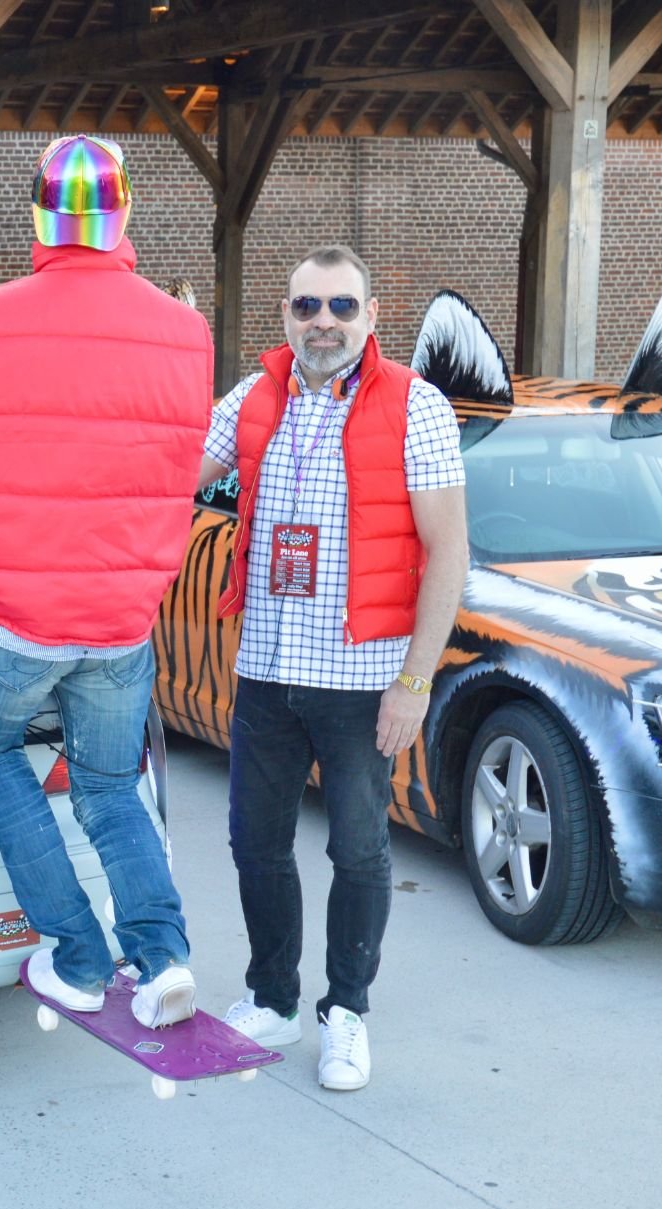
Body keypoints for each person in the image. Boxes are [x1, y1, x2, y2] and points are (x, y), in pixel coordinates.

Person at [0, 135, 214, 1028]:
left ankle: (75, 954)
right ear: (125, 216)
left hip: (19, 618)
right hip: (122, 621)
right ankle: (164, 956)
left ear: (40, 216)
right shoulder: (189, 334)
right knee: (112, 787)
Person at [198, 245, 467, 1091]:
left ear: (371, 316)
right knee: (254, 844)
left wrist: (414, 682)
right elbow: (172, 478)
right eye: (307, 306)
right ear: (285, 315)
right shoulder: (253, 397)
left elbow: (449, 552)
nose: (323, 323)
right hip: (267, 673)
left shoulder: (416, 407)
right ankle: (272, 999)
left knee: (358, 851)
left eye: (341, 307)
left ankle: (345, 1013)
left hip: (362, 681)